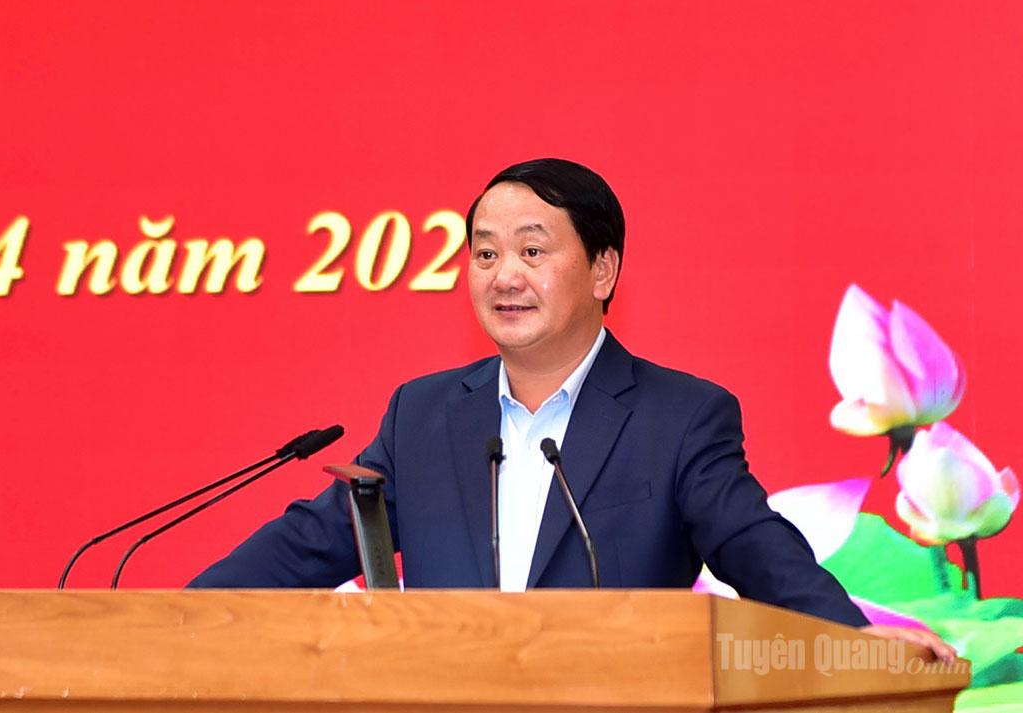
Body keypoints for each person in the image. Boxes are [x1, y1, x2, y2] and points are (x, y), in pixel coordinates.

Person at [190, 158, 955, 660]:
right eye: (485, 253)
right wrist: (175, 616)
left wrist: (858, 637)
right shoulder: (424, 415)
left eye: (532, 251)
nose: (504, 275)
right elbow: (308, 545)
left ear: (602, 269)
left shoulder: (679, 418)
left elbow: (757, 548)